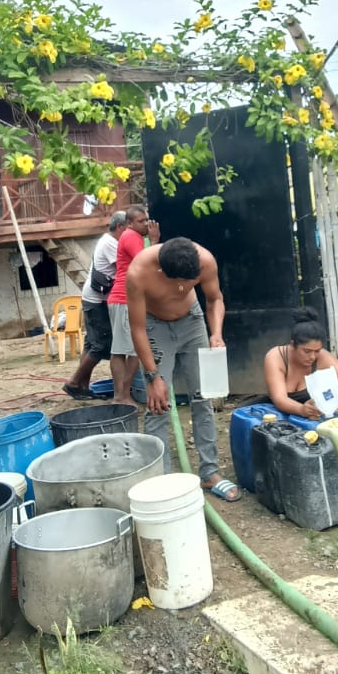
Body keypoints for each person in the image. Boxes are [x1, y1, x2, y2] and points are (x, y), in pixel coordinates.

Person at [126, 235, 239, 501]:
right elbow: (137, 329)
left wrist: (216, 333)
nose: (183, 288)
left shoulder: (205, 260)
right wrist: (153, 377)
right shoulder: (138, 273)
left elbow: (214, 299)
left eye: (190, 282)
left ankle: (210, 473)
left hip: (192, 321)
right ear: (161, 271)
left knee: (203, 396)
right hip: (154, 326)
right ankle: (161, 481)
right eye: (179, 282)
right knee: (158, 404)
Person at [63, 211, 128, 400]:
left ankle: (82, 386)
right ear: (120, 227)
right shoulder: (111, 244)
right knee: (101, 345)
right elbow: (125, 267)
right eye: (129, 226)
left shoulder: (106, 240)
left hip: (94, 299)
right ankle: (74, 382)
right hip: (97, 301)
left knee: (91, 344)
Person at [262, 307, 338, 419]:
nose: (312, 357)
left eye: (317, 351)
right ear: (292, 345)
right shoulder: (276, 357)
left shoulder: (322, 357)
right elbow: (280, 399)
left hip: (315, 417)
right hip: (279, 416)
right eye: (306, 351)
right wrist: (301, 409)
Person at [106, 205, 158, 404]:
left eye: (146, 219)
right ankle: (122, 395)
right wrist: (154, 241)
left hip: (125, 299)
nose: (146, 224)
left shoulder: (133, 236)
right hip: (123, 299)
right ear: (129, 223)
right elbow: (145, 264)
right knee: (131, 350)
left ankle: (121, 394)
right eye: (141, 221)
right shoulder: (131, 237)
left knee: (126, 349)